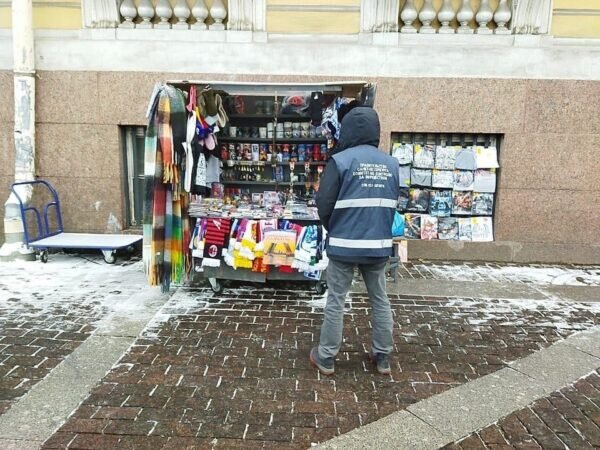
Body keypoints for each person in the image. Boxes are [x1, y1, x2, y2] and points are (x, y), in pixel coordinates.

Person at [310, 107, 400, 375]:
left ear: (347, 129)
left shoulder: (340, 161)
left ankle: (326, 357)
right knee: (380, 298)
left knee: (336, 299)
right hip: (377, 245)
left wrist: (334, 229)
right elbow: (392, 204)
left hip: (344, 246)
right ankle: (382, 356)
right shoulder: (391, 164)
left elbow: (323, 203)